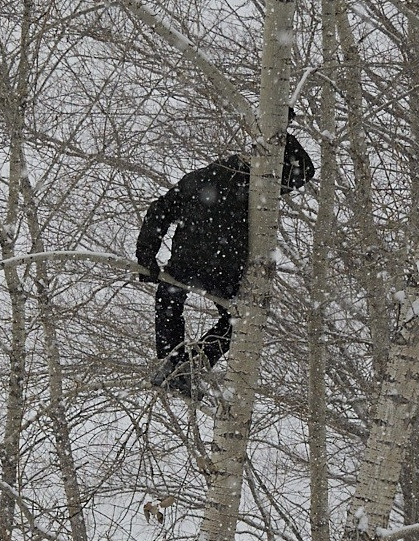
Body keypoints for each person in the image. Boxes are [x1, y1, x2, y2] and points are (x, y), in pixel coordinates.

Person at [135, 132, 315, 393]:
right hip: (225, 269)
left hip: (187, 262)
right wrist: (283, 134)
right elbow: (304, 172)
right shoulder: (257, 183)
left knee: (168, 299)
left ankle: (171, 360)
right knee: (238, 320)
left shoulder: (195, 180)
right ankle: (194, 365)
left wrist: (146, 258)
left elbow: (158, 212)